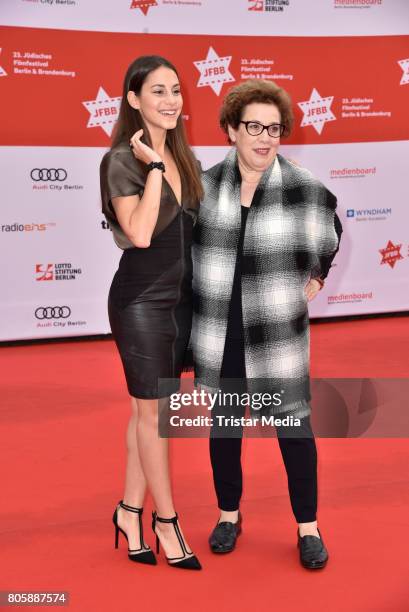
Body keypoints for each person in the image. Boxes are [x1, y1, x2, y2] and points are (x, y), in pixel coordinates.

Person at [191, 79, 342, 569]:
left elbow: (330, 227)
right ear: (232, 130)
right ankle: (228, 516)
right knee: (225, 428)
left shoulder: (301, 186)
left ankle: (308, 528)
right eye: (253, 126)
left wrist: (318, 271)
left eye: (273, 128)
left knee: (294, 430)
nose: (264, 137)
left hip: (277, 328)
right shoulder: (206, 185)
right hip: (220, 328)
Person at [100, 55, 203, 570]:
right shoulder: (122, 160)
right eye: (158, 91)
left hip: (182, 304)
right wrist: (155, 167)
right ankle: (167, 522)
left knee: (146, 411)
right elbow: (140, 234)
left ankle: (128, 510)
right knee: (156, 414)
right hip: (141, 302)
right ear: (133, 99)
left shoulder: (190, 160)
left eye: (177, 91)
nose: (171, 101)